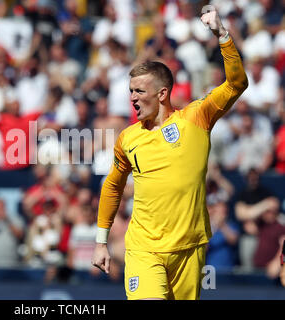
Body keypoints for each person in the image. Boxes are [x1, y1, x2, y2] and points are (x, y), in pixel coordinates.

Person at [91, 8, 248, 300]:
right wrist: (101, 241)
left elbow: (237, 84)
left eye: (139, 91)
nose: (132, 98)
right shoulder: (128, 138)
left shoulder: (196, 117)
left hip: (190, 249)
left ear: (162, 94)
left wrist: (222, 35)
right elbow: (113, 185)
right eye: (130, 91)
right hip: (143, 248)